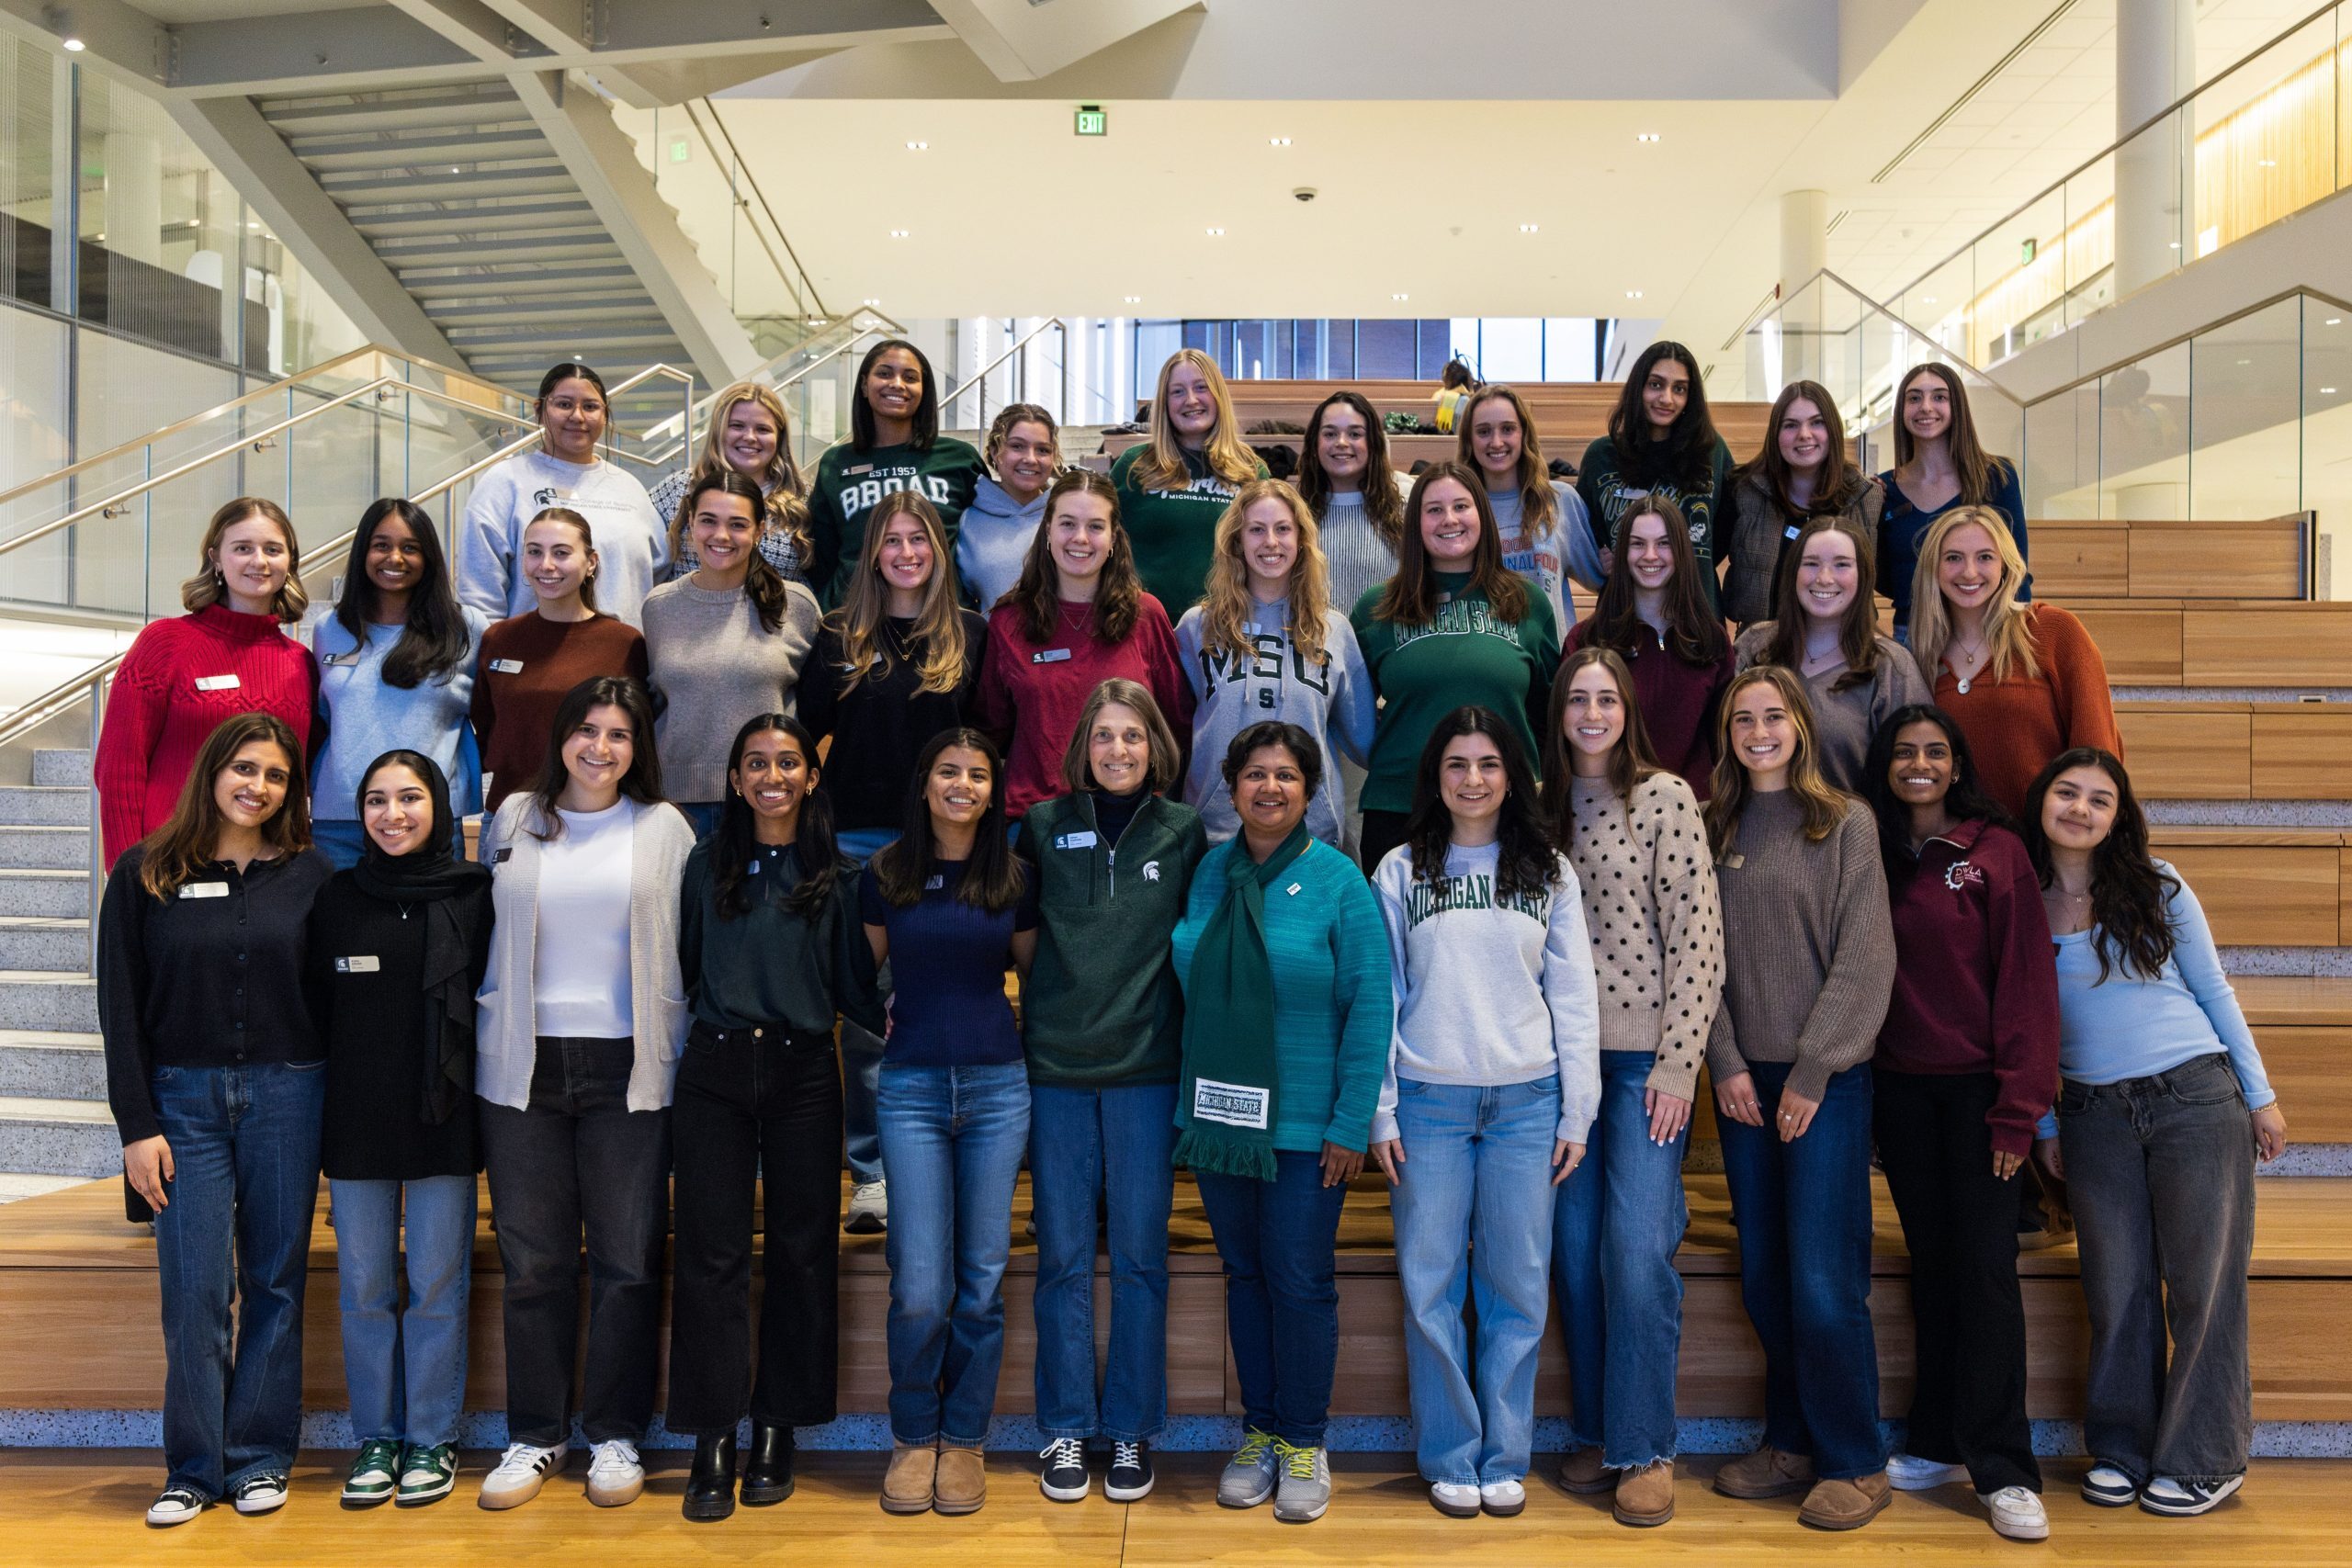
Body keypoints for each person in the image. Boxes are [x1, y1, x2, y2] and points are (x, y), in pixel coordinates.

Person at [2024, 748, 2290, 1518]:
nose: (2080, 808)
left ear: (2118, 816)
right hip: (2092, 1115)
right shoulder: (2020, 901)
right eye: (2067, 792)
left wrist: (2261, 1096)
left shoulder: (2159, 884)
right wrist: (2045, 1123)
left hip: (2195, 1099)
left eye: (2099, 799)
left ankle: (2207, 1457)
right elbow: (2024, 1029)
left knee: (2203, 1285)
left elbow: (2213, 989)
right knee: (2118, 1288)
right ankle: (2122, 1446)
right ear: (2043, 801)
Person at [97, 712, 332, 1526]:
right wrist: (137, 1122)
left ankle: (261, 1456)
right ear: (212, 770)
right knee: (195, 1288)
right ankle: (194, 1468)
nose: (256, 786)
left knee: (274, 1281)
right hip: (181, 1106)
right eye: (244, 768)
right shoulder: (144, 874)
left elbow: (331, 1004)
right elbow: (119, 1008)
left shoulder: (312, 877)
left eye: (274, 775)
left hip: (288, 1095)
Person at [472, 675, 695, 1512]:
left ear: (640, 749)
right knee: (534, 1263)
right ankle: (535, 1435)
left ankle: (614, 1432)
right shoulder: (515, 818)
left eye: (620, 735)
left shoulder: (665, 827)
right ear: (562, 734)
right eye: (587, 731)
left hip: (629, 1067)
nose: (600, 748)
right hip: (520, 1065)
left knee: (628, 1261)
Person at [1367, 707, 1597, 1520]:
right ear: (1435, 775)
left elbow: (1573, 996)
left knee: (1518, 1283)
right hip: (1428, 1102)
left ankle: (1505, 1453)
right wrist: (1381, 1110)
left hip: (1528, 1102)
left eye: (1489, 763)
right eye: (1457, 762)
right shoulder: (1399, 869)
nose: (1473, 778)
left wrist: (1579, 1110)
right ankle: (1451, 1454)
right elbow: (1382, 998)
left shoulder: (1547, 869)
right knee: (1431, 1282)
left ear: (1513, 775)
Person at [1172, 722, 1390, 1526]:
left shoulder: (1339, 881)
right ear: (1231, 789)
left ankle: (1304, 1438)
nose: (1270, 788)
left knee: (1299, 1281)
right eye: (1255, 775)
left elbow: (1370, 1006)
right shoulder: (1209, 876)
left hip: (1306, 1130)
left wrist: (1349, 1122)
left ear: (1311, 790)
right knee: (1246, 1275)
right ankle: (1258, 1429)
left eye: (1287, 776)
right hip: (1223, 1124)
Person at [667, 716, 881, 1522]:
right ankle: (711, 1432)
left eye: (787, 762)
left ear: (811, 778)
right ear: (733, 779)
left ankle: (777, 1425)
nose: (772, 776)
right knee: (711, 1253)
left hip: (802, 1069)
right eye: (755, 763)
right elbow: (686, 966)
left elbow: (855, 988)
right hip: (716, 1067)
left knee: (801, 1251)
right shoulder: (702, 863)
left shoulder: (838, 872)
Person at [1702, 665, 1897, 1531]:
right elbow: (1695, 963)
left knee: (1824, 1279)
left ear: (1800, 724)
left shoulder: (1847, 823)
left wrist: (1814, 1071)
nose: (1758, 730)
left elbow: (1866, 961)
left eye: (1773, 715)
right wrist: (1728, 1064)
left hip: (1827, 1083)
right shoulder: (1712, 826)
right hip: (1744, 1083)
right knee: (1766, 1274)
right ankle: (1789, 1441)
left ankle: (1855, 1457)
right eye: (1742, 718)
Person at [1860, 706, 2059, 1542]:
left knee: (1984, 1272)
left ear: (1957, 764)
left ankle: (2006, 1469)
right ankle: (1939, 1437)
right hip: (1901, 1095)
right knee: (1935, 1266)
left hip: (1983, 1096)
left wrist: (2020, 1112)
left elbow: (2025, 986)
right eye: (1904, 752)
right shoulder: (1870, 850)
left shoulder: (1995, 851)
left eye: (1935, 751)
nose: (1919, 764)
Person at [1537, 645, 1724, 1527]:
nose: (1592, 712)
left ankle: (1647, 1443)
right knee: (1572, 1253)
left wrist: (1680, 1064)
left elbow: (1699, 940)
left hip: (1645, 1062)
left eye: (1606, 698)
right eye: (1578, 698)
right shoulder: (1535, 806)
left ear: (1627, 708)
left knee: (1636, 1248)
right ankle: (1601, 1427)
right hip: (1556, 1070)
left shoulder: (1665, 798)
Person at [1020, 681, 1208, 1506]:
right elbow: (1025, 942)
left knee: (1139, 1258)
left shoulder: (1184, 829)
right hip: (1058, 1068)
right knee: (1061, 1259)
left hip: (1146, 1069)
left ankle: (1129, 1427)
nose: (1120, 751)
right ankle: (1065, 1423)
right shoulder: (1041, 825)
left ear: (1154, 744)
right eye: (1105, 737)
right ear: (1083, 746)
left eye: (1133, 736)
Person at [308, 750, 493, 1511]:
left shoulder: (477, 893)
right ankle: (377, 1435)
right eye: (377, 800)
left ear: (440, 805)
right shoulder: (336, 895)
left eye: (410, 797)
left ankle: (431, 1436)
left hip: (444, 1116)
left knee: (439, 1281)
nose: (393, 814)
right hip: (355, 1120)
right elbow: (314, 1006)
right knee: (364, 1285)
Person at [799, 490, 989, 1233]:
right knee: (868, 1018)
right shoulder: (840, 634)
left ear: (938, 551)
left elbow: (983, 742)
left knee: (948, 1001)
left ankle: (946, 1159)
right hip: (857, 846)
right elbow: (803, 732)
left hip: (947, 845)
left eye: (920, 539)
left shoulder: (969, 633)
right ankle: (873, 1173)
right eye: (893, 539)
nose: (907, 552)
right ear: (873, 551)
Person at [864, 729, 1038, 1518]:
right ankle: (913, 1435)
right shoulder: (885, 873)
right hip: (910, 1091)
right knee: (922, 1286)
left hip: (1000, 1087)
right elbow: (858, 981)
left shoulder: (1013, 876)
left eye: (977, 774)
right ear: (926, 783)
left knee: (982, 1278)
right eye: (948, 771)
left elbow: (1037, 979)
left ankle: (964, 1439)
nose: (962, 784)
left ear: (992, 789)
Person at [1351, 461, 1560, 872]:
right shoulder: (1377, 609)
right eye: (1434, 510)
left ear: (1481, 514)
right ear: (1416, 523)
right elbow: (1351, 716)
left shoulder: (1528, 603)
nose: (1449, 520)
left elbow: (1548, 713)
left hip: (1507, 806)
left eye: (1461, 506)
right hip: (1400, 806)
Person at [96, 498, 317, 869]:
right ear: (215, 557)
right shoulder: (164, 643)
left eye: (273, 550)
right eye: (243, 548)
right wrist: (127, 872)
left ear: (289, 562)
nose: (259, 561)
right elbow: (118, 766)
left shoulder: (300, 663)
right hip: (171, 861)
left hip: (263, 872)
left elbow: (299, 778)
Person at [974, 470, 1192, 822]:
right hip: (1032, 823)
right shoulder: (1009, 619)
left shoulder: (1147, 615)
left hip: (1129, 822)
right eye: (1067, 524)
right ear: (1047, 531)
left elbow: (1177, 725)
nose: (1080, 538)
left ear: (1113, 538)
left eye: (1095, 526)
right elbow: (989, 730)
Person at [1175, 479, 1374, 847]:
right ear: (1237, 540)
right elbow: (1173, 731)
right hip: (1215, 832)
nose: (1271, 542)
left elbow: (1365, 742)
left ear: (1301, 540)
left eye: (1283, 529)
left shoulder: (1333, 630)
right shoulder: (1197, 627)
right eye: (1256, 530)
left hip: (1311, 836)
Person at [640, 472, 823, 836]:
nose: (721, 536)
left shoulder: (796, 605)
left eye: (737, 524)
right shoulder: (658, 606)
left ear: (759, 531)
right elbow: (654, 705)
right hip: (677, 806)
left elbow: (820, 709)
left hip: (769, 802)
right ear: (690, 523)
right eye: (708, 520)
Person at [311, 499, 489, 868]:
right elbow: (326, 716)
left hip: (429, 821)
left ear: (429, 558)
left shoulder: (465, 628)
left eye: (410, 548)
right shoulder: (330, 628)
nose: (395, 558)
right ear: (363, 552)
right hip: (340, 821)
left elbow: (489, 715)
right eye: (381, 546)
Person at [1909, 505, 2118, 818]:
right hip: (1968, 854)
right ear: (1933, 568)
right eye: (1953, 557)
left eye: (1985, 557)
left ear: (2005, 565)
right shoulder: (1920, 658)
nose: (1969, 571)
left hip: (2051, 848)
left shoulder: (2053, 631)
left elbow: (2099, 755)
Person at [469, 509, 649, 817]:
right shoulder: (499, 639)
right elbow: (485, 728)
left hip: (595, 816)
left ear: (590, 562)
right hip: (509, 813)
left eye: (561, 553)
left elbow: (638, 737)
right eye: (534, 552)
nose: (546, 565)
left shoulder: (624, 643)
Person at [1732, 514, 1929, 792]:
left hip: (1848, 830)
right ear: (1793, 572)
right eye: (1811, 564)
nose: (1824, 578)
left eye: (1841, 565)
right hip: (1752, 828)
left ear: (1863, 575)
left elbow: (1914, 773)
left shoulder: (1890, 666)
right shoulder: (1755, 644)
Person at [459, 362, 664, 626]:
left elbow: (656, 573)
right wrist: (490, 655)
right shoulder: (505, 482)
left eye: (590, 407)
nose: (578, 416)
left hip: (621, 659)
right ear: (540, 410)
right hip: (530, 658)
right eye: (564, 404)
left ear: (605, 415)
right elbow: (479, 592)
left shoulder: (630, 487)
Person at [1566, 497, 1735, 801]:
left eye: (1664, 543)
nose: (1650, 555)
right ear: (1623, 553)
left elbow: (1723, 741)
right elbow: (1569, 740)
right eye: (1637, 544)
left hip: (1695, 810)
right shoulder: (1587, 639)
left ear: (1681, 551)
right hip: (1609, 808)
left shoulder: (1712, 641)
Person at [806, 338, 986, 607]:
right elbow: (822, 554)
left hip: (943, 619)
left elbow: (988, 536)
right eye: (885, 373)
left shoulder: (959, 458)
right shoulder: (836, 462)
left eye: (910, 377)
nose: (897, 384)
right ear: (865, 385)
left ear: (923, 389)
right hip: (855, 619)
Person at [1110, 348, 1269, 614]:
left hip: (1226, 628)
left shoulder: (1251, 470)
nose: (1191, 400)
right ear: (1165, 402)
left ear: (1218, 394)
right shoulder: (1133, 466)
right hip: (1145, 627)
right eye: (1178, 391)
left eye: (1201, 387)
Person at [1576, 341, 1734, 605]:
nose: (1666, 399)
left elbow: (1727, 529)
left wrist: (1689, 561)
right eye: (1656, 385)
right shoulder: (1601, 456)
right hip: (1623, 613)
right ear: (1639, 388)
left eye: (1680, 389)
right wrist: (1600, 557)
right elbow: (1584, 534)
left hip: (1696, 612)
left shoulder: (1711, 451)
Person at [1717, 380, 1884, 627]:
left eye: (1817, 423)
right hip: (1760, 651)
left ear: (1833, 430)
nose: (1804, 434)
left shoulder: (1866, 497)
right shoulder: (1743, 492)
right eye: (1790, 425)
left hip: (1842, 653)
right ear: (1775, 434)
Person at [1879, 361, 2028, 637]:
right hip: (1911, 636)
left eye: (1939, 397)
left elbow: (2018, 569)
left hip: (1986, 634)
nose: (1925, 406)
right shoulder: (1883, 489)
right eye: (1914, 398)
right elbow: (1883, 576)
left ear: (1956, 405)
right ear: (1901, 410)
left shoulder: (1997, 477)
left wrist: (2018, 639)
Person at [1458, 383, 1604, 627]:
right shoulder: (1459, 510)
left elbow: (1601, 579)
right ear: (1469, 441)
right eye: (1483, 431)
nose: (1496, 442)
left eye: (1507, 429)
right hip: (1485, 660)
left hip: (1551, 662)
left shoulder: (1560, 500)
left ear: (1524, 434)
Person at [651, 380, 811, 584]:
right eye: (737, 426)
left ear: (779, 437)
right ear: (719, 431)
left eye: (763, 429)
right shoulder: (679, 487)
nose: (750, 437)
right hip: (689, 614)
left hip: (778, 614)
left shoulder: (803, 498)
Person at [1295, 389, 1407, 617]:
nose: (1342, 443)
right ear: (1315, 444)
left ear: (1373, 443)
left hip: (1382, 646)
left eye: (1355, 434)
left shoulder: (1403, 510)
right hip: (1315, 646)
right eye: (1330, 434)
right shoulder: (1294, 513)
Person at [957, 402, 1059, 612]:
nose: (1030, 459)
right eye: (1017, 446)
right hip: (995, 643)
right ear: (995, 452)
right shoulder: (966, 521)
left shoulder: (1067, 515)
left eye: (1042, 450)